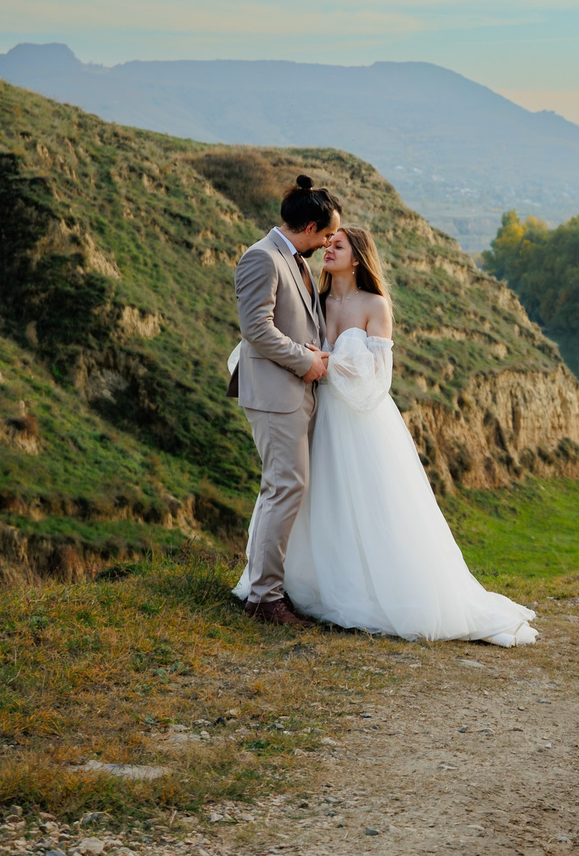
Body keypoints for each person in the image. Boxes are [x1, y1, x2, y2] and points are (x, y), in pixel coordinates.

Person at [235, 223, 538, 647]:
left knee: (370, 504)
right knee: (314, 497)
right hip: (316, 414)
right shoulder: (315, 300)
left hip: (360, 420)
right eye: (326, 242)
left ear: (357, 256)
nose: (327, 248)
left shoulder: (376, 305)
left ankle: (373, 591)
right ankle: (297, 587)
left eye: (336, 245)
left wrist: (331, 364)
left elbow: (379, 380)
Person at [228, 173, 341, 627]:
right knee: (284, 487)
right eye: (329, 233)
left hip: (294, 391)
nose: (330, 241)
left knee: (284, 487)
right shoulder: (262, 258)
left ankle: (270, 589)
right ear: (310, 228)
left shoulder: (293, 258)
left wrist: (314, 354)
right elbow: (256, 329)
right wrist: (304, 361)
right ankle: (264, 599)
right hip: (276, 394)